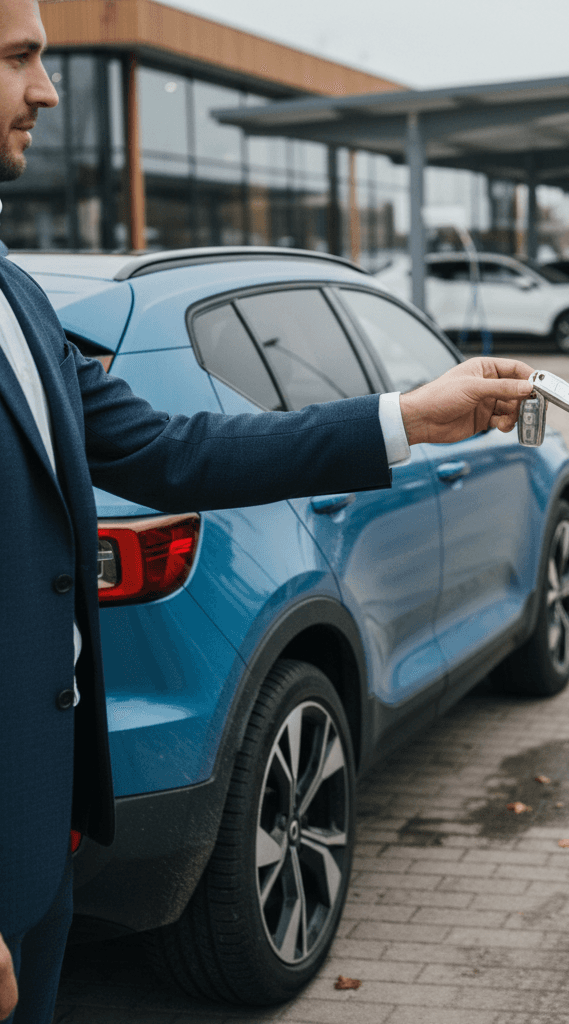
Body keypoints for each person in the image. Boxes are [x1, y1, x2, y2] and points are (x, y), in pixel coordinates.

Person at [0, 3, 536, 1021]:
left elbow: (171, 449)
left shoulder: (19, 297)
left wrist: (410, 415)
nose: (49, 91)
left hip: (39, 853)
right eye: (21, 58)